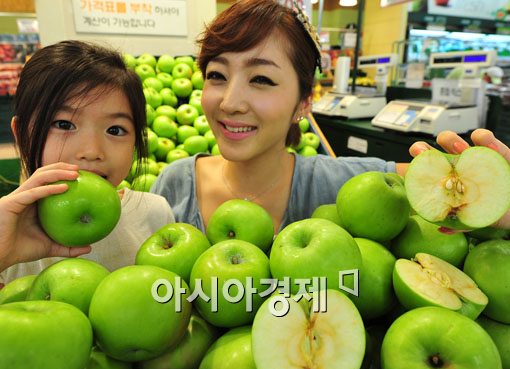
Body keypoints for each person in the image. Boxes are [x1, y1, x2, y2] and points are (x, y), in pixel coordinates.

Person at [151, 0, 510, 234]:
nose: (229, 102)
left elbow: (454, 187)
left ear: (304, 102)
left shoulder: (342, 187)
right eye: (217, 75)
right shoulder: (173, 186)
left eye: (261, 79)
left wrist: (498, 199)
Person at [0, 40, 174, 284]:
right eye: (64, 124)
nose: (92, 151)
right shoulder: (7, 225)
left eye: (115, 130)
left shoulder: (154, 214)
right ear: (21, 134)